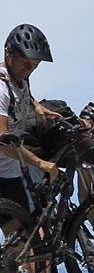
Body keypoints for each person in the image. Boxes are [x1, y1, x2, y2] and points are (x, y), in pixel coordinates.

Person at [0, 24, 62, 203]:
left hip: (8, 172)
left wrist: (37, 107)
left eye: (35, 66)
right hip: (5, 164)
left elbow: (22, 93)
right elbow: (3, 142)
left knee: (25, 229)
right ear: (8, 53)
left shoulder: (19, 77)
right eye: (25, 63)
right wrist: (40, 163)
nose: (29, 69)